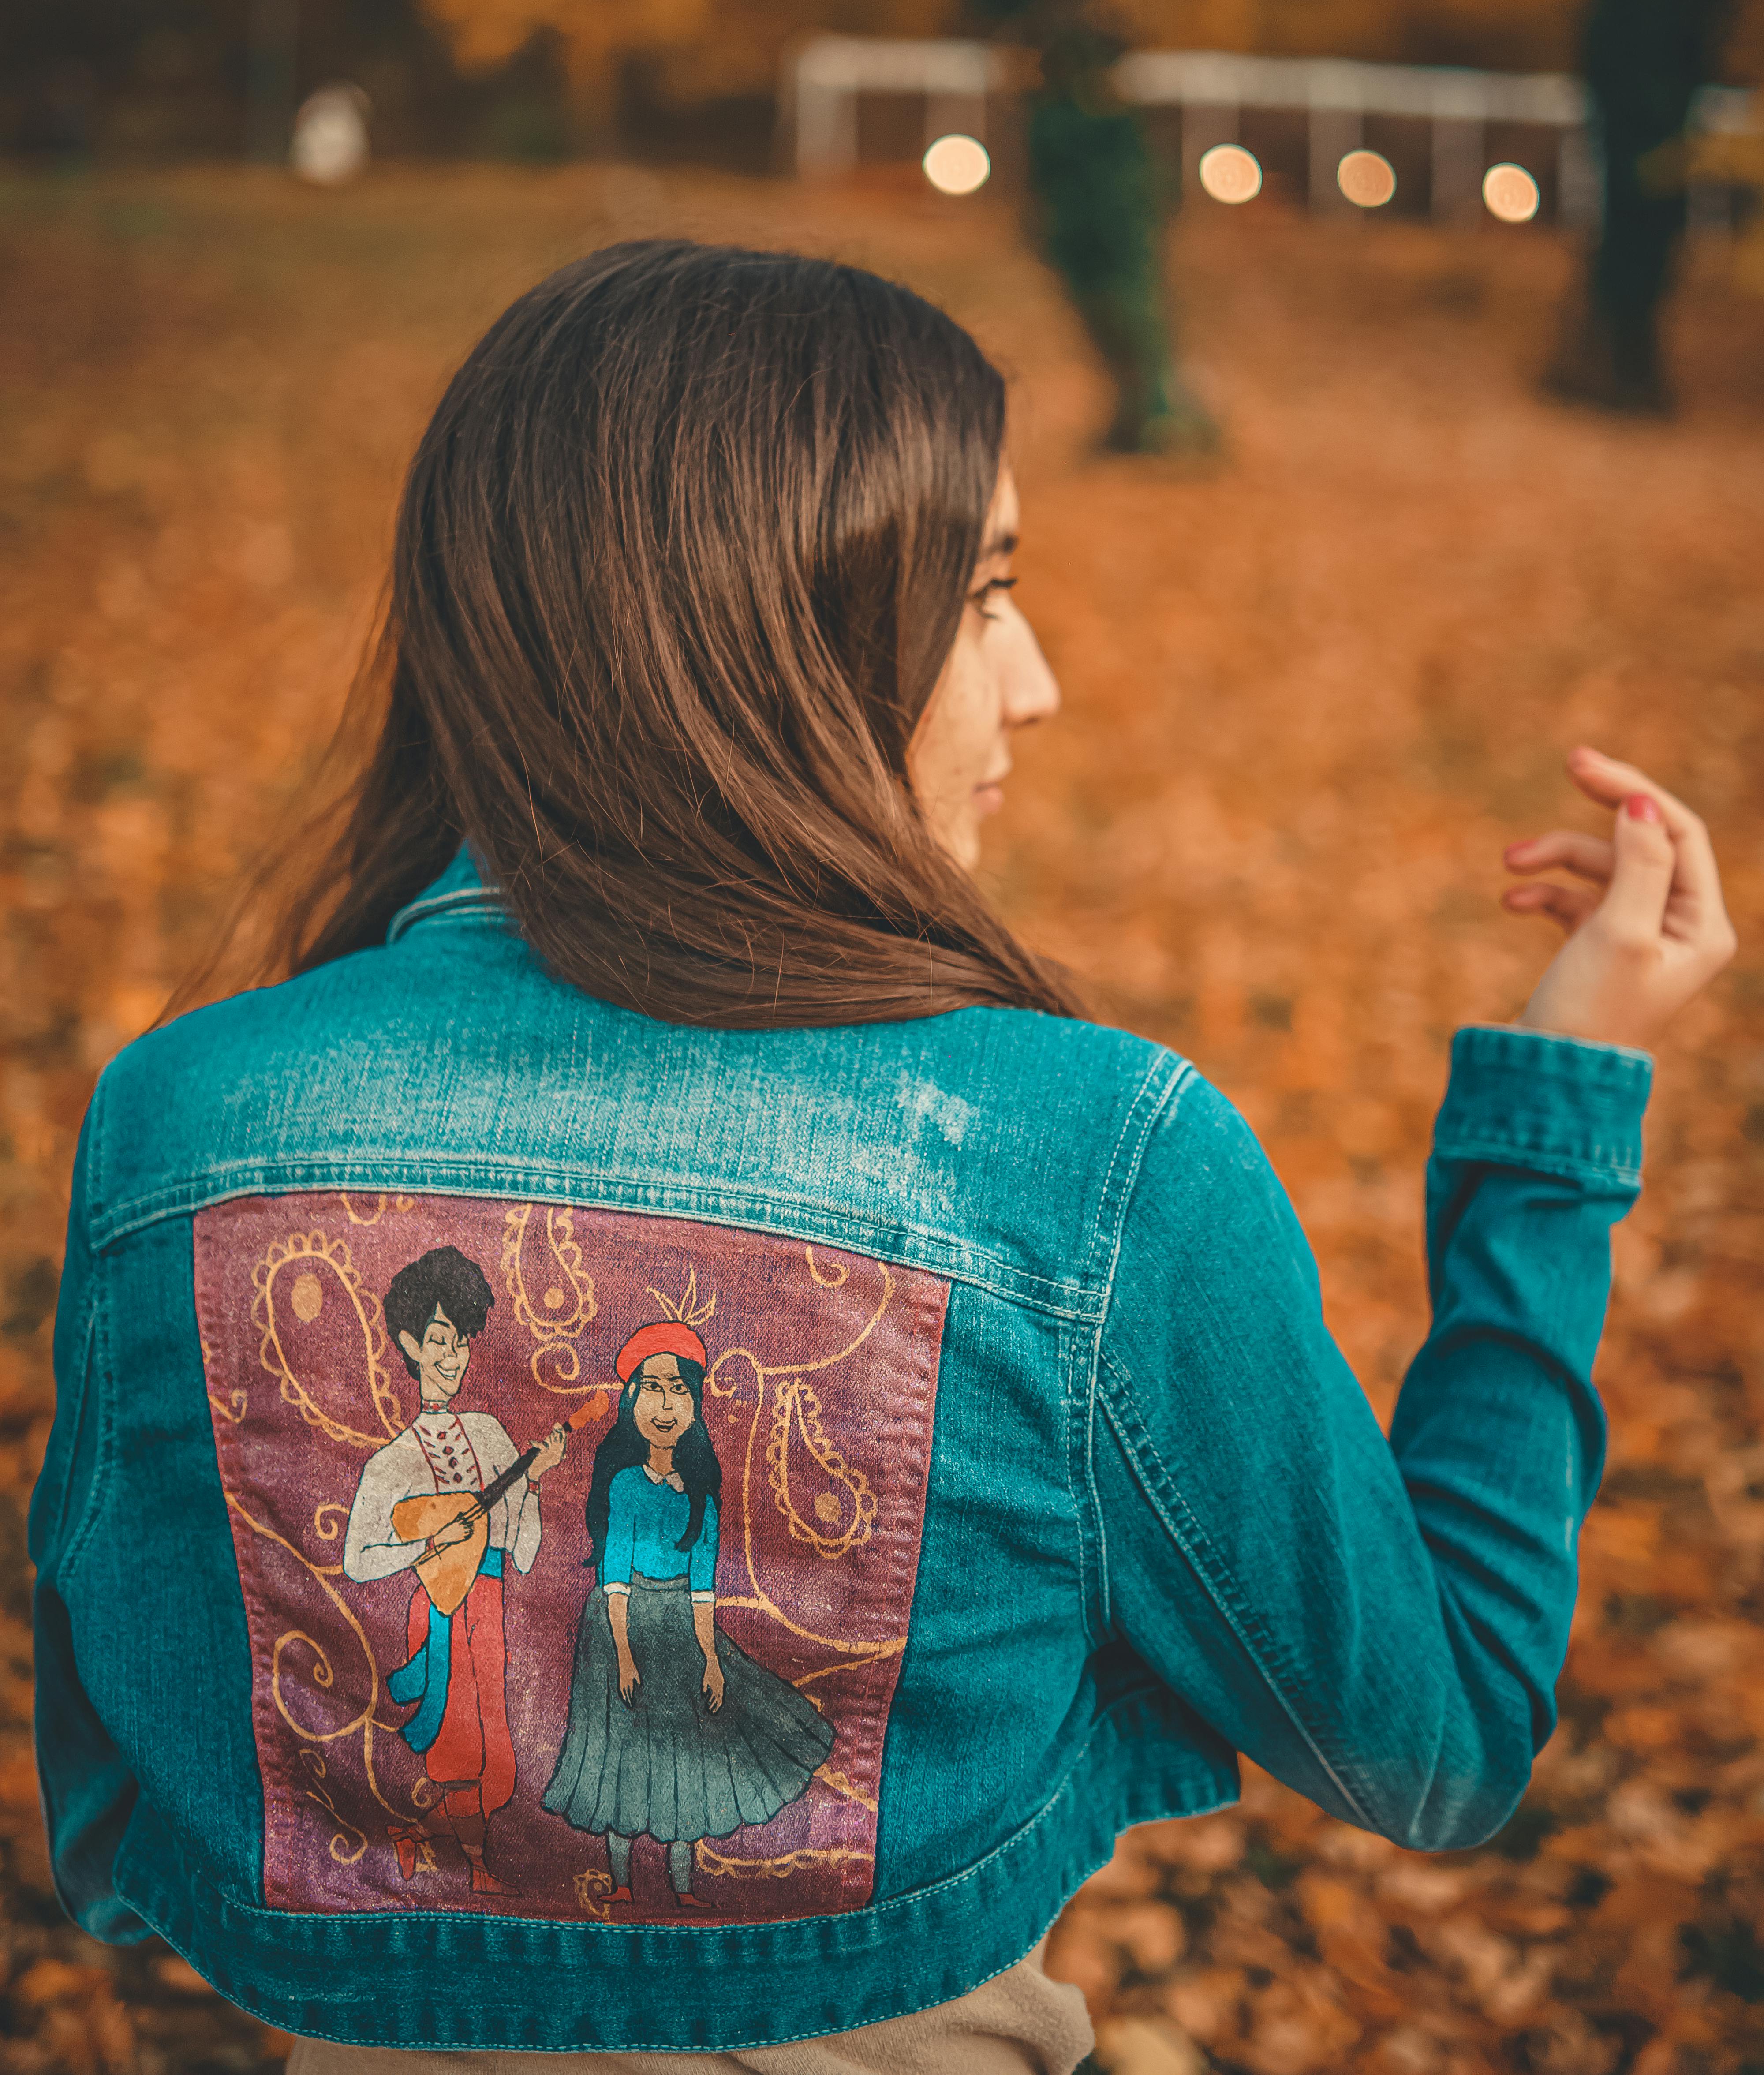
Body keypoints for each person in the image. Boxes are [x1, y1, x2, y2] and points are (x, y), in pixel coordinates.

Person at [30, 242, 1735, 2075]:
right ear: (770, 626)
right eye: (984, 593)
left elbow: (123, 1813)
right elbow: (1439, 1741)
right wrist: (1559, 1115)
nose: (1038, 682)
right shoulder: (1088, 1165)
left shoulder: (180, 1124)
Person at [542, 1322, 836, 1911]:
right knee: (621, 1753)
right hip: (621, 1625)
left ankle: (682, 1886)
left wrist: (712, 1660)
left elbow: (704, 1589)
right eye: (652, 1389)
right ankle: (622, 1881)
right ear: (631, 1401)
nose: (665, 1406)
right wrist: (624, 1654)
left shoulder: (702, 1494)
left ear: (696, 1404)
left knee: (686, 1753)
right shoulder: (626, 1485)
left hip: (680, 1628)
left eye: (678, 1391)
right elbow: (614, 1576)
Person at [341, 1244, 567, 1894]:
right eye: (439, 1341)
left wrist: (533, 1483)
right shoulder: (390, 1463)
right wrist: (427, 1545)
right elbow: (357, 1560)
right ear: (411, 1345)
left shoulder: (491, 1434)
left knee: (501, 1759)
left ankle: (418, 1835)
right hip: (440, 1609)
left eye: (462, 1342)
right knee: (463, 1749)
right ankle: (476, 1868)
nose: (453, 1358)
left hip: (490, 1602)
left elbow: (522, 1548)